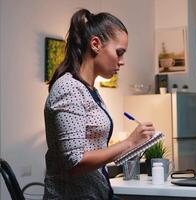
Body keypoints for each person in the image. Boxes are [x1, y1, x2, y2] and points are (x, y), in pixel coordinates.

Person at [43, 9, 155, 199]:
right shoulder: (69, 88)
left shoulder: (90, 90)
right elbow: (75, 162)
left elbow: (95, 149)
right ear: (95, 44)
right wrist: (129, 142)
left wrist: (136, 145)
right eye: (119, 53)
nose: (122, 61)